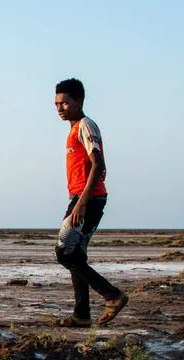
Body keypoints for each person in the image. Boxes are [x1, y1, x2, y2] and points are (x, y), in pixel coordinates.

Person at [52, 78, 129, 327]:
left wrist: (82, 202)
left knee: (64, 252)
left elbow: (98, 164)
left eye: (65, 103)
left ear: (79, 101)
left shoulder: (86, 125)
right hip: (82, 197)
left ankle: (112, 295)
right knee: (76, 255)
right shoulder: (74, 129)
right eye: (56, 104)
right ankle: (82, 315)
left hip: (88, 198)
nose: (60, 108)